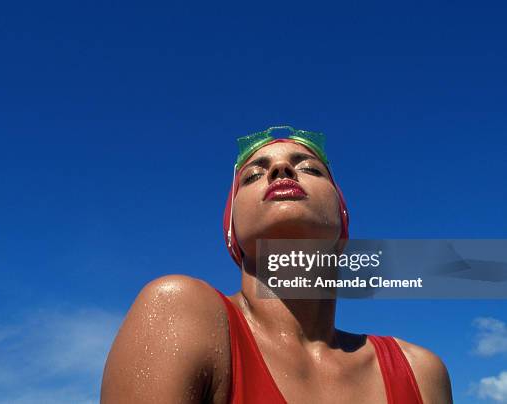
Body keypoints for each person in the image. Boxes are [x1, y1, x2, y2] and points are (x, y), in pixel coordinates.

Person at [100, 126, 453, 403]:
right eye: (252, 176)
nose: (282, 169)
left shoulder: (419, 371)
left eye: (311, 168)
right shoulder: (181, 310)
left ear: (343, 222)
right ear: (231, 231)